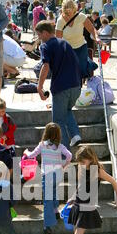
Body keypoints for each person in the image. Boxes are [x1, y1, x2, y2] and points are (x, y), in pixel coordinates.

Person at [67, 145, 117, 234]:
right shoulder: (81, 166)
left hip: (88, 206)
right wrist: (73, 197)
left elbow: (113, 181)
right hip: (78, 204)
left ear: (90, 158)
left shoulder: (97, 170)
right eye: (79, 161)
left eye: (83, 161)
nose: (81, 163)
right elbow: (80, 185)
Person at [35, 20, 82, 149]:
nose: (38, 38)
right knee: (66, 110)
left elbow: (45, 66)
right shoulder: (65, 42)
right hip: (76, 86)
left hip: (61, 87)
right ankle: (75, 134)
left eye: (39, 35)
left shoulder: (45, 46)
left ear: (44, 33)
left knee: (58, 121)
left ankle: (64, 151)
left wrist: (39, 87)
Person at [23, 123, 72, 234]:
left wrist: (26, 152)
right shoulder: (60, 146)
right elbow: (69, 156)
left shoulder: (42, 145)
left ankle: (47, 226)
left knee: (47, 201)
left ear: (46, 133)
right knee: (54, 192)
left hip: (48, 176)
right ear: (58, 135)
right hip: (58, 174)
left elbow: (32, 155)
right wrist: (63, 165)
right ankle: (55, 211)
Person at [56, 0, 98, 80]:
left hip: (81, 46)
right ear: (64, 10)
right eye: (67, 13)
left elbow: (92, 29)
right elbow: (58, 39)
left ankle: (79, 86)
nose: (69, 15)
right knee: (71, 71)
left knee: (80, 71)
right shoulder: (60, 21)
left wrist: (97, 37)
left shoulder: (81, 16)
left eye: (71, 12)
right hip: (68, 49)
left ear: (74, 9)